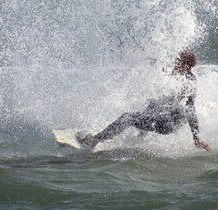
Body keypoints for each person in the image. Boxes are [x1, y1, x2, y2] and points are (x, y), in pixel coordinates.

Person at [77, 50, 211, 151]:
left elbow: (190, 109)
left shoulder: (188, 82)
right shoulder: (179, 73)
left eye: (178, 62)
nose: (175, 63)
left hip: (168, 123)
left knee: (127, 117)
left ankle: (94, 141)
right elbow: (160, 66)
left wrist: (196, 138)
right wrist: (142, 56)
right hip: (167, 118)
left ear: (186, 66)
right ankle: (138, 140)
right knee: (152, 103)